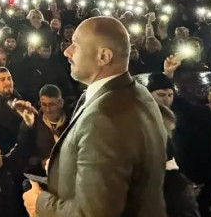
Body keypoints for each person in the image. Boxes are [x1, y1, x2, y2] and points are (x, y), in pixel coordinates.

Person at [23, 16, 168, 217]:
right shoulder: (137, 93)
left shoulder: (104, 119)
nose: (67, 51)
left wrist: (40, 203)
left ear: (103, 56)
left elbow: (92, 213)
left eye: (75, 45)